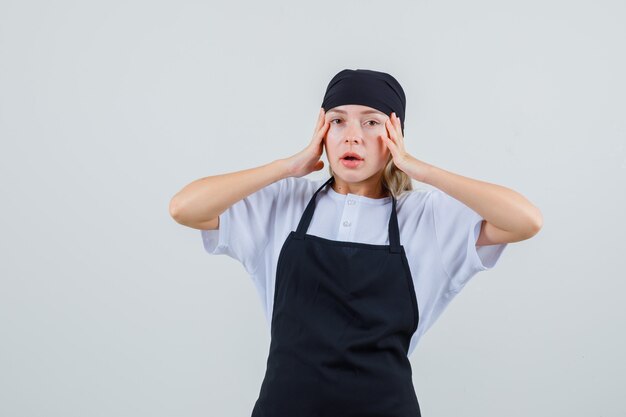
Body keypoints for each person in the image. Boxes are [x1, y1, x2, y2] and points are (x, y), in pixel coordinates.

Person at [169, 68, 543, 416]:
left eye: (371, 122)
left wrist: (420, 168)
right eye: (337, 121)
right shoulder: (281, 204)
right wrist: (288, 165)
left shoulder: (426, 219)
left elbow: (525, 220)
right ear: (321, 134)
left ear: (395, 137)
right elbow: (184, 207)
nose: (352, 135)